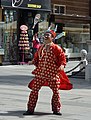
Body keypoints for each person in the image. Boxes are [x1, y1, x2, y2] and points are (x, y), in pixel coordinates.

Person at [23, 30, 73, 115]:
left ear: (52, 38)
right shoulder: (41, 47)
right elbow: (37, 58)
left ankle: (56, 109)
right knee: (34, 91)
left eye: (48, 35)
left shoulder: (56, 48)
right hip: (40, 74)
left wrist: (62, 65)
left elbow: (62, 58)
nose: (45, 37)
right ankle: (30, 109)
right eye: (45, 35)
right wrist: (33, 61)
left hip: (52, 74)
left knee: (56, 92)